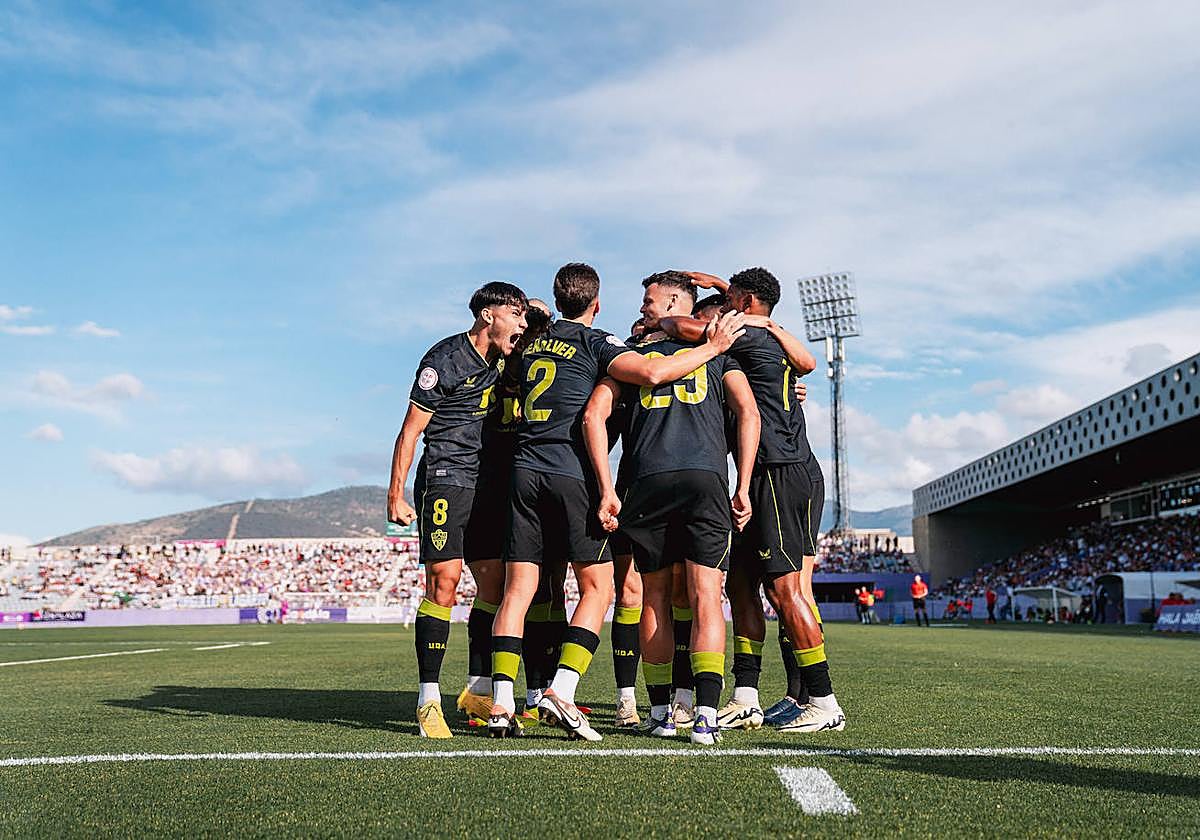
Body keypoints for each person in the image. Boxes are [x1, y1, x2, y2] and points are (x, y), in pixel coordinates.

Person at [486, 262, 746, 739]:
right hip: (580, 472)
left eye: (648, 301)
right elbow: (654, 376)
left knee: (520, 590)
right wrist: (713, 346)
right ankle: (569, 691)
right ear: (596, 303)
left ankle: (502, 702)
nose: (642, 308)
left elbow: (582, 404)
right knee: (611, 590)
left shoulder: (530, 345)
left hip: (527, 471)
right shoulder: (602, 344)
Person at [662, 267, 844, 734]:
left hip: (778, 471)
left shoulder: (748, 336)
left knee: (786, 590)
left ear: (743, 306)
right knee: (742, 584)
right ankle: (746, 696)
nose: (720, 315)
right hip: (771, 471)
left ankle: (821, 700)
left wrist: (659, 321)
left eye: (728, 306)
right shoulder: (765, 338)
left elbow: (682, 326)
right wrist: (727, 290)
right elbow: (800, 362)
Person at [585, 270, 760, 745]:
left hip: (647, 480)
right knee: (707, 597)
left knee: (654, 598)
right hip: (705, 479)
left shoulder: (632, 356)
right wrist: (743, 484)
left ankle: (662, 712)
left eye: (649, 301)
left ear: (672, 305)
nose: (643, 308)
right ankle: (705, 715)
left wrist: (605, 485)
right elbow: (748, 411)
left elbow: (593, 414)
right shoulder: (719, 353)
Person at [387, 281, 529, 738]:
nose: (522, 324)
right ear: (489, 315)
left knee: (493, 583)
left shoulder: (504, 358)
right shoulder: (445, 358)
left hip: (488, 483)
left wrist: (530, 314)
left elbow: (537, 325)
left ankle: (476, 690)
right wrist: (395, 494)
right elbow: (410, 431)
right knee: (444, 583)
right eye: (515, 314)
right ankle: (428, 699)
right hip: (446, 477)